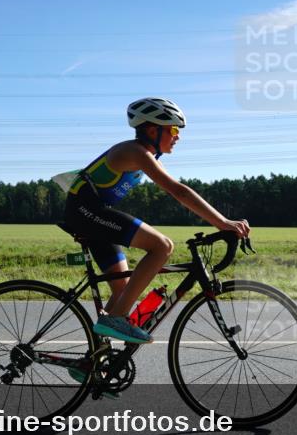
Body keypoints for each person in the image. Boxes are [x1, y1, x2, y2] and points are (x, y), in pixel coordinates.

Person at [62, 97, 250, 344]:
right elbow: (179, 191)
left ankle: (92, 365)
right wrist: (223, 222)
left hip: (91, 214)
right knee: (162, 246)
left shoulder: (144, 156)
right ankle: (116, 318)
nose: (178, 136)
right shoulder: (135, 152)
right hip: (86, 212)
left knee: (123, 289)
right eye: (173, 129)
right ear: (153, 129)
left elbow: (178, 191)